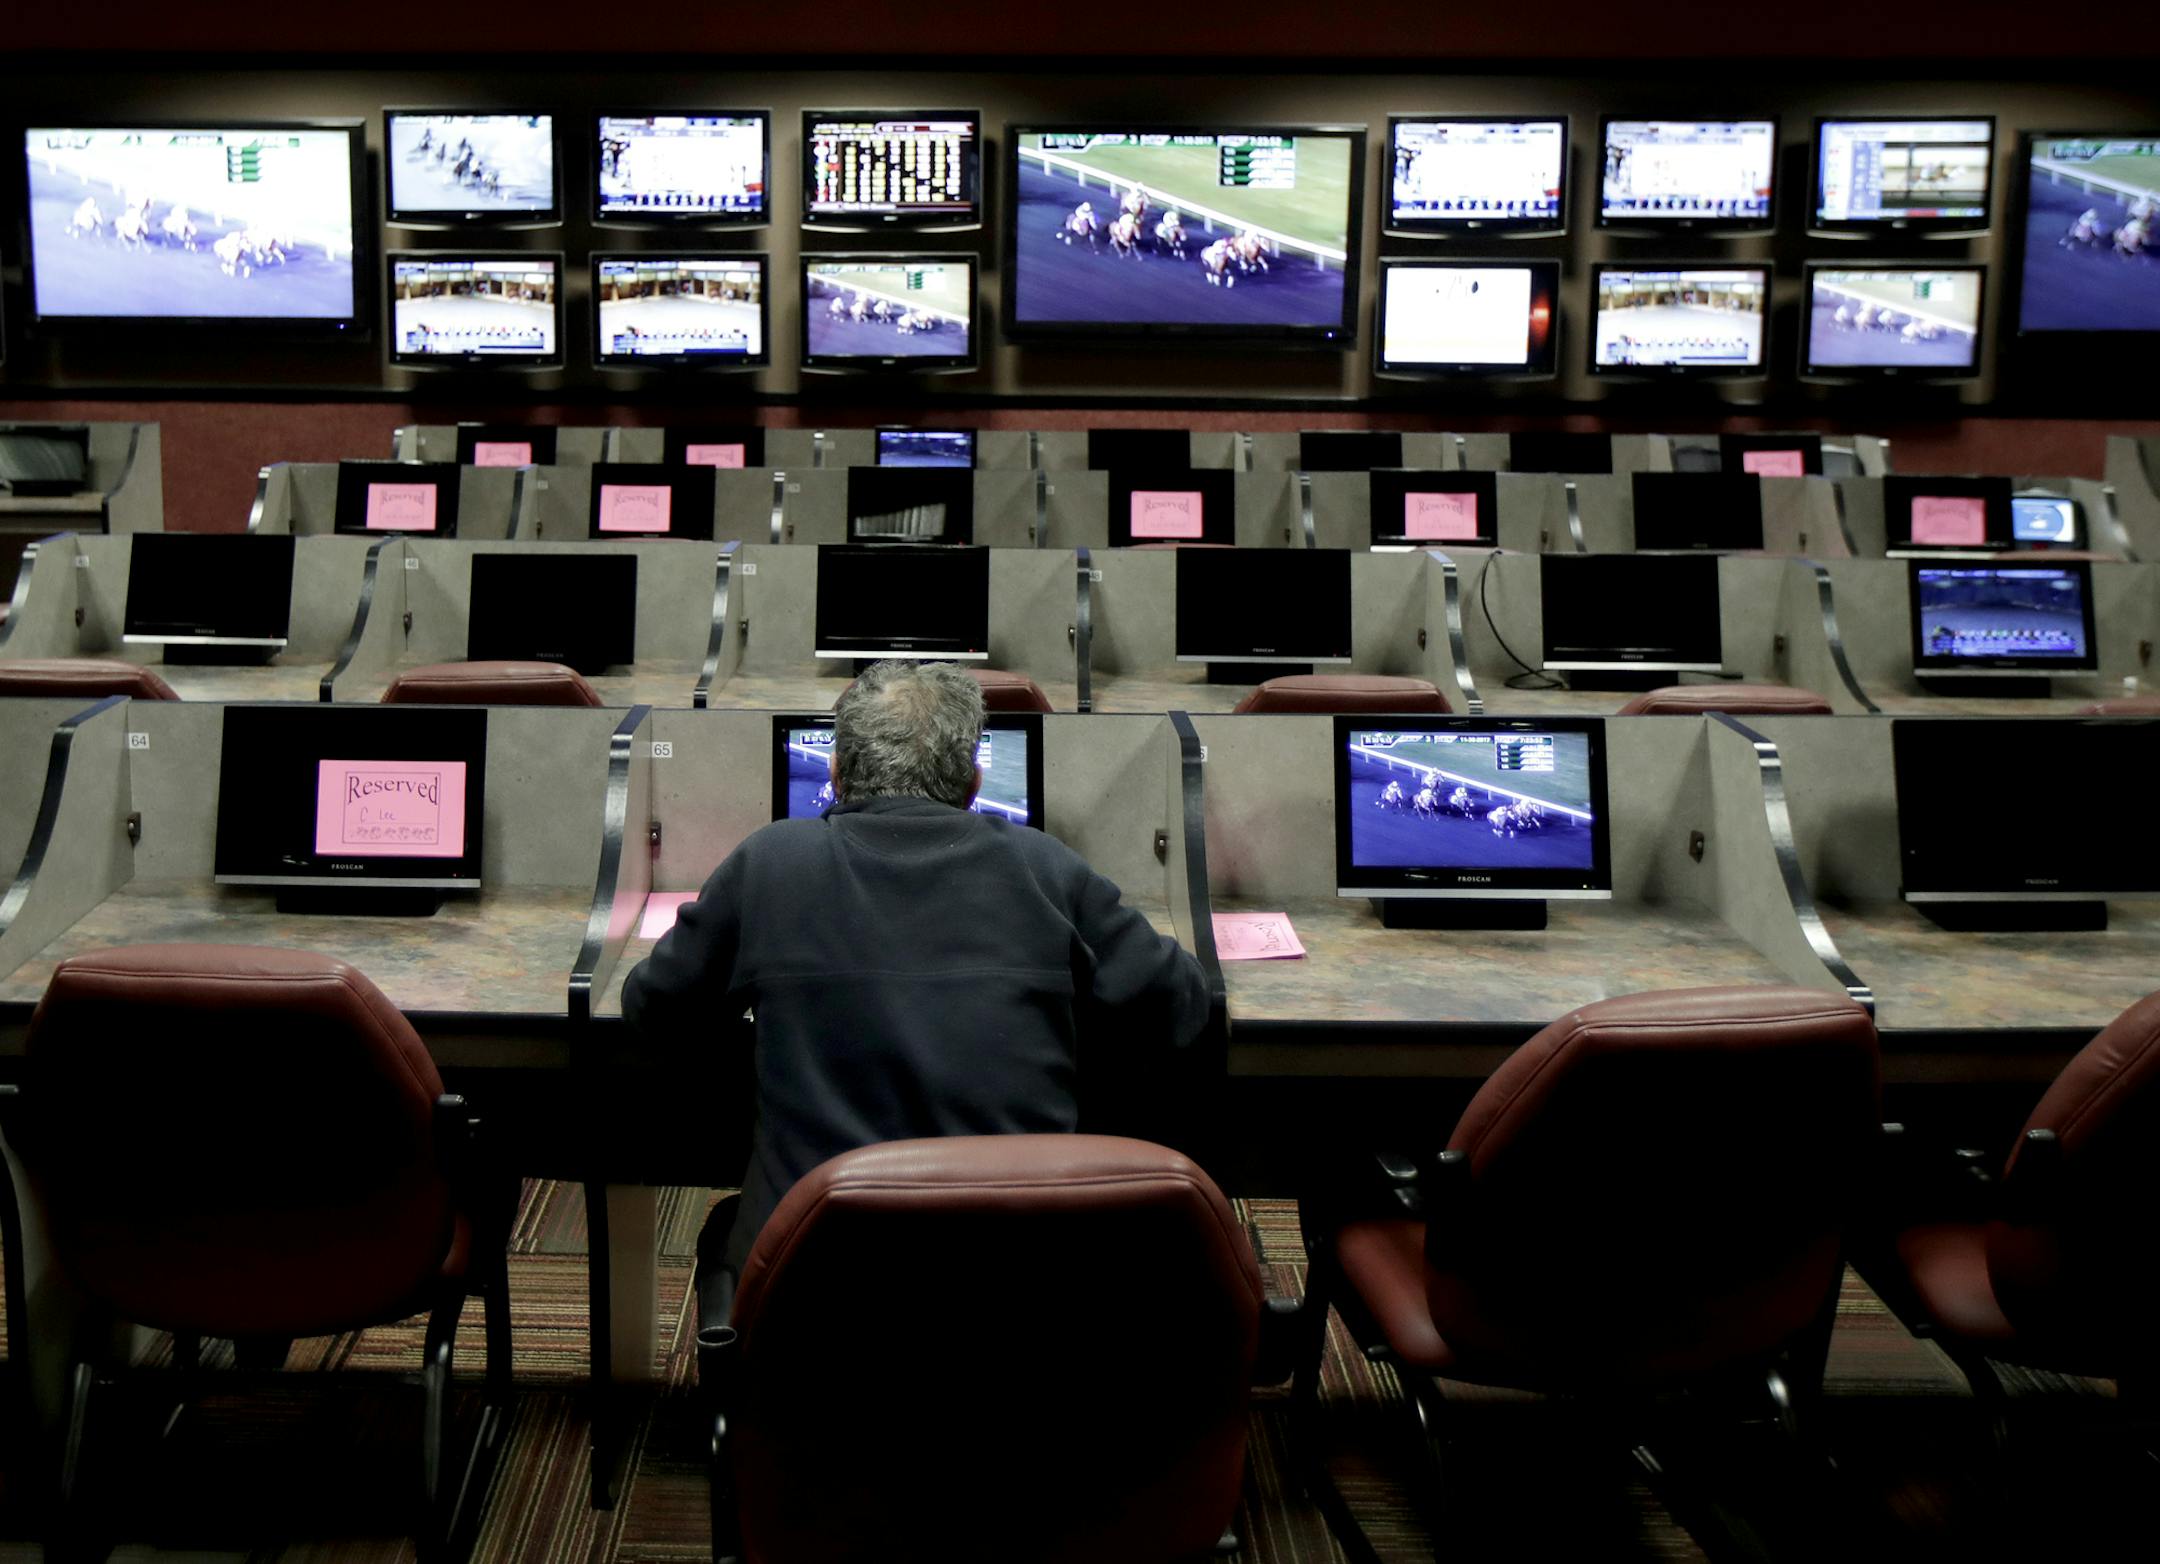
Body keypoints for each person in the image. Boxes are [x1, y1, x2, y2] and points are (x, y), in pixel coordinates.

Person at [621, 660, 1212, 1303]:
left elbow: (654, 1008)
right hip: (1019, 1275)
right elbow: (1181, 1006)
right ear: (973, 783)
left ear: (837, 775)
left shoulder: (768, 863)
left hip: (813, 1284)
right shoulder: (1047, 869)